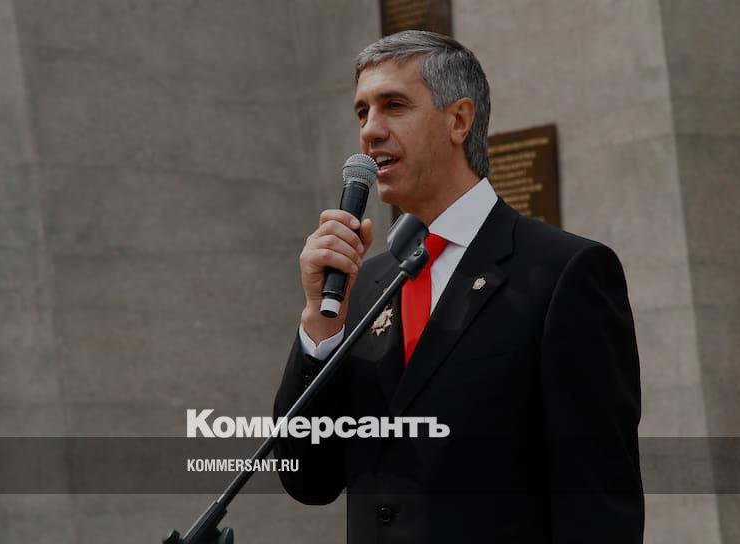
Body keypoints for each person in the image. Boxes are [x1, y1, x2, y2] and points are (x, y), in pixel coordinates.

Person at [274, 30, 643, 542]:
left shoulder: (565, 272)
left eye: (393, 105)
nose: (370, 130)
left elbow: (597, 503)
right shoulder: (368, 284)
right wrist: (320, 319)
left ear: (459, 120)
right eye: (362, 112)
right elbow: (308, 478)